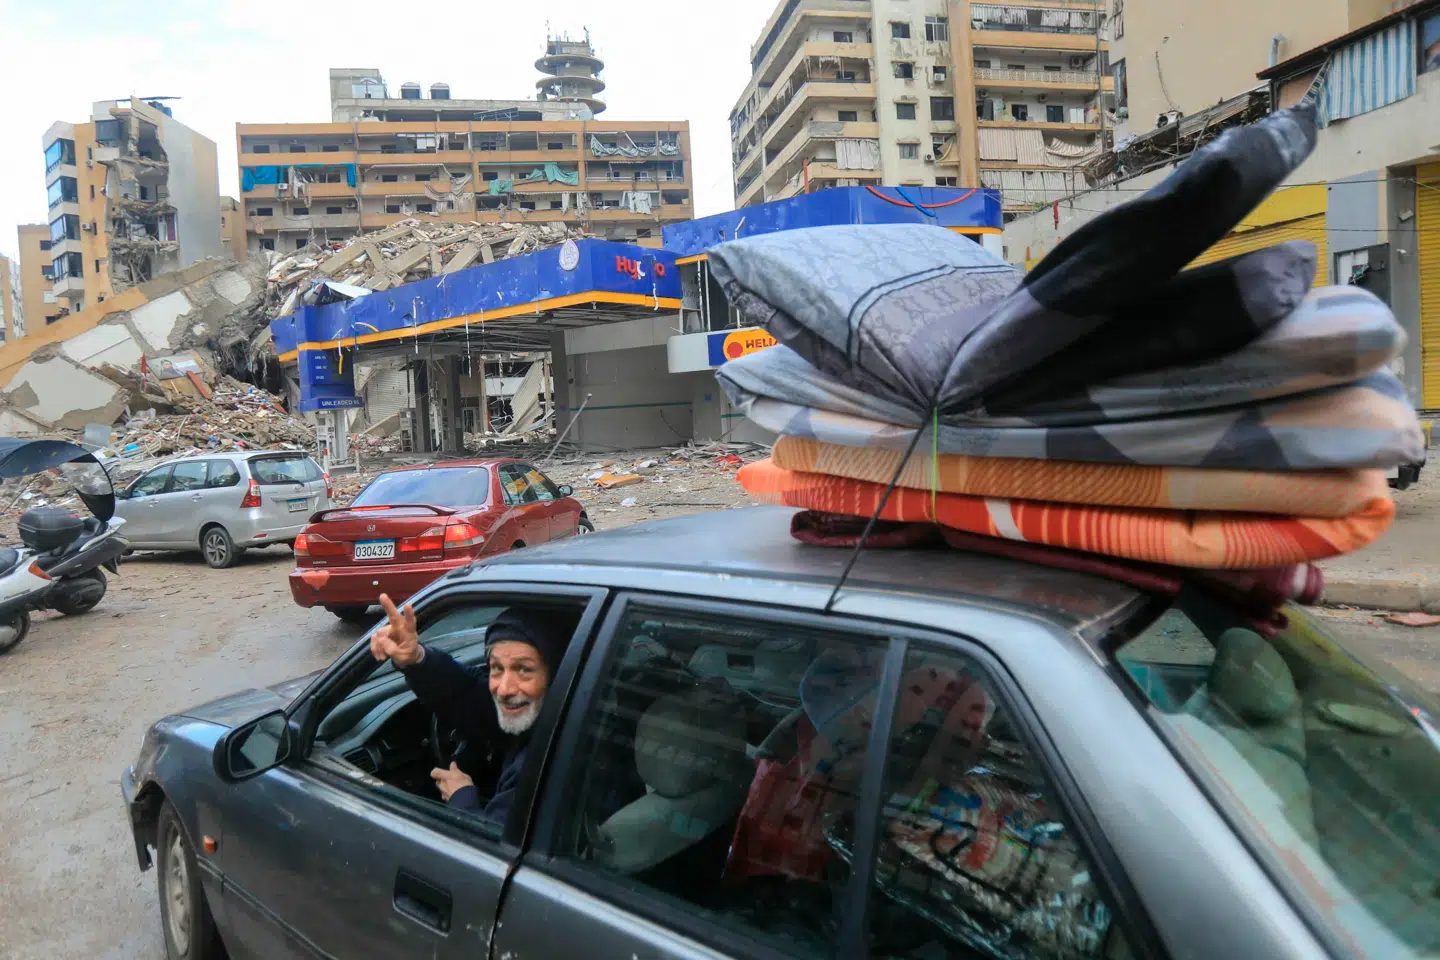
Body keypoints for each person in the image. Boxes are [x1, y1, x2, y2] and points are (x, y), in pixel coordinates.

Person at [369, 593, 568, 824]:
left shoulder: (543, 763)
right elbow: (469, 690)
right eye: (496, 668)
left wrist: (461, 799)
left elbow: (496, 851)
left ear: (555, 674)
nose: (504, 689)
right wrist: (415, 659)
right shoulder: (551, 710)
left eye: (523, 669)